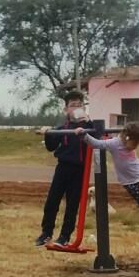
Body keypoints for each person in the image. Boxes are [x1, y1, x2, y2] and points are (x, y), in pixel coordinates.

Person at [36, 90, 91, 247]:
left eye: (80, 105)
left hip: (80, 170)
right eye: (73, 105)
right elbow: (51, 147)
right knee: (52, 201)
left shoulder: (89, 126)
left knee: (73, 204)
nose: (77, 108)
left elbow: (97, 137)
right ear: (66, 110)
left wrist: (86, 122)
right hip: (63, 167)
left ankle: (64, 237)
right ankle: (46, 233)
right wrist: (47, 133)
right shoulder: (62, 128)